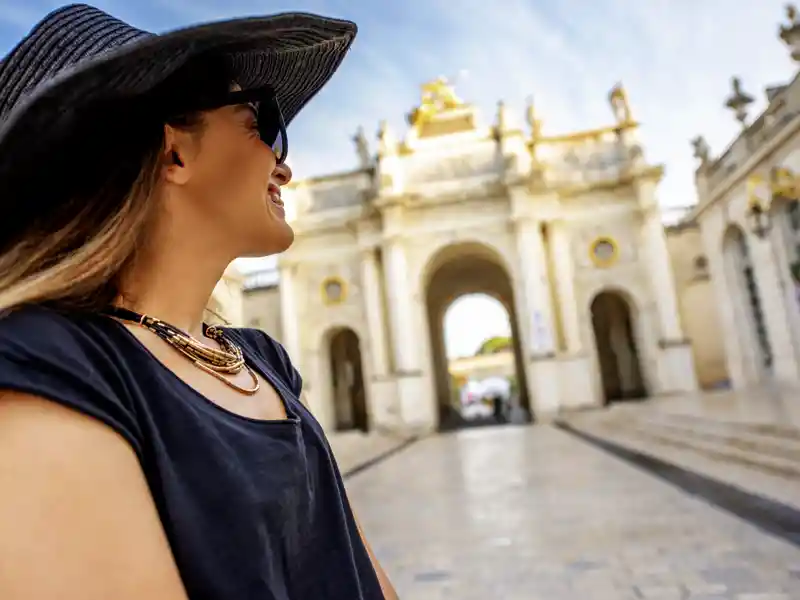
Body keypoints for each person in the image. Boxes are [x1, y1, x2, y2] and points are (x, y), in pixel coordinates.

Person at [0, 4, 398, 600]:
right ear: (175, 153)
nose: (283, 164)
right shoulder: (48, 369)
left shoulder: (260, 360)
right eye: (263, 122)